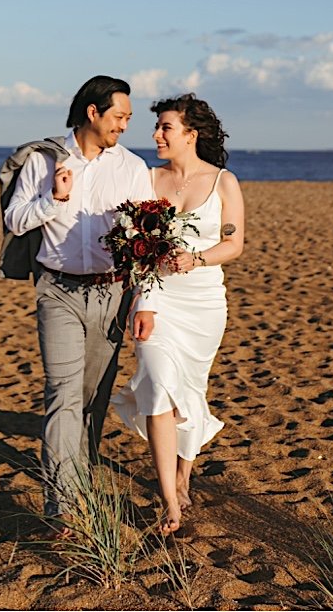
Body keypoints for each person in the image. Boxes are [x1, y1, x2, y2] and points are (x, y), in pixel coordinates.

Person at [5, 75, 153, 532]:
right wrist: (54, 197)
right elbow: (15, 219)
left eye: (128, 118)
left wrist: (142, 299)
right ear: (93, 112)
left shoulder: (131, 166)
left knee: (93, 397)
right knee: (63, 396)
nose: (125, 126)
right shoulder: (45, 160)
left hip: (112, 294)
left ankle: (80, 473)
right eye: (120, 116)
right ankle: (61, 505)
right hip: (58, 291)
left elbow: (147, 241)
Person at [112, 93, 245, 534]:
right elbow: (132, 243)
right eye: (157, 127)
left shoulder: (223, 182)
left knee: (190, 390)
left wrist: (199, 258)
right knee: (158, 386)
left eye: (166, 127)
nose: (156, 135)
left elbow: (234, 244)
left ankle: (184, 476)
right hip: (157, 298)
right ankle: (169, 498)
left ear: (192, 134)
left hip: (204, 304)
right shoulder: (148, 179)